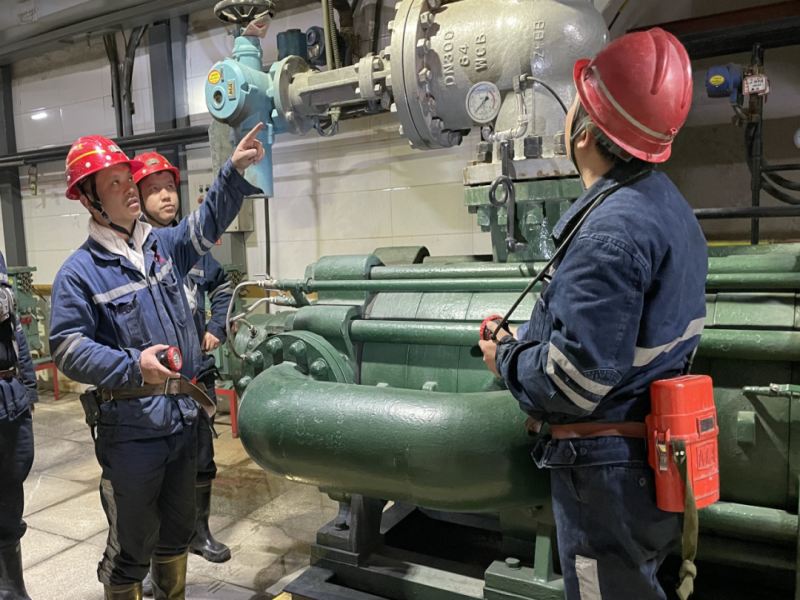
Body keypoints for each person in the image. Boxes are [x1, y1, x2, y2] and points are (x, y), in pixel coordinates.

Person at [478, 29, 706, 600]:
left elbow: (571, 382)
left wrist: (506, 358)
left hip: (608, 477)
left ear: (583, 132)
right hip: (654, 459)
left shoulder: (609, 233)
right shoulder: (671, 210)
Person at [49, 125, 264, 600]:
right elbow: (66, 347)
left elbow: (207, 222)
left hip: (182, 420)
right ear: (89, 199)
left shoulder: (163, 247)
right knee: (133, 545)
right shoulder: (79, 274)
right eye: (114, 183)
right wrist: (133, 364)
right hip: (131, 430)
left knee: (177, 532)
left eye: (128, 178)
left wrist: (232, 171)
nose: (129, 188)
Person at [133, 153, 233, 597]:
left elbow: (223, 284)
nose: (165, 196)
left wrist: (216, 328)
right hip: (154, 386)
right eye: (153, 190)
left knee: (200, 460)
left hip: (196, 379)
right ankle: (152, 556)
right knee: (154, 474)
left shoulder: (192, 250)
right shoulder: (135, 254)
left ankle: (198, 533)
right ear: (136, 199)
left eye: (169, 187)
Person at [0, 252, 39, 600]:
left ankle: (12, 587)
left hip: (9, 395)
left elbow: (14, 331)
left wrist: (28, 390)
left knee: (10, 486)